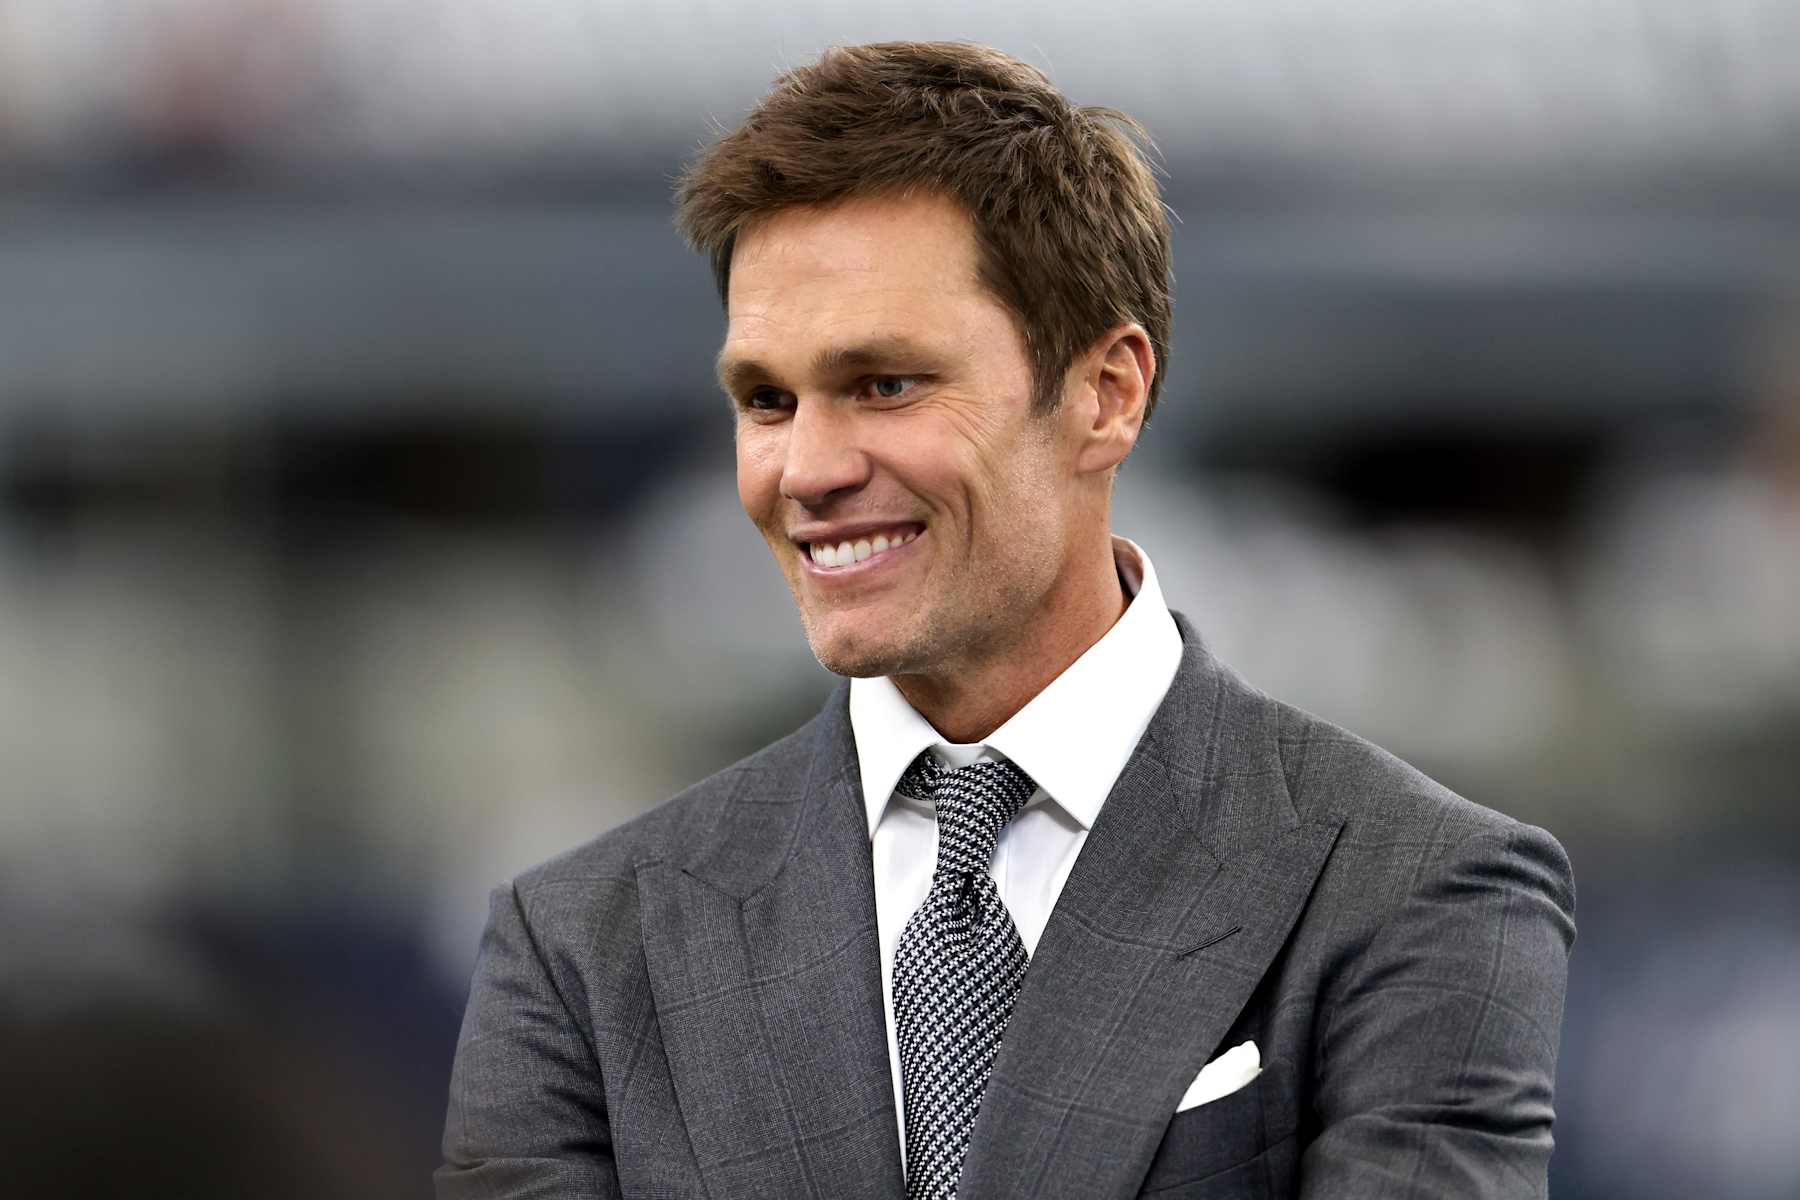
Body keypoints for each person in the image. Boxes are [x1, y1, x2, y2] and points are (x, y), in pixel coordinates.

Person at [437, 42, 1575, 1200]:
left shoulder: (1419, 892)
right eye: (767, 400)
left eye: (886, 383)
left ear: (1106, 393)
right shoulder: (577, 948)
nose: (808, 470)